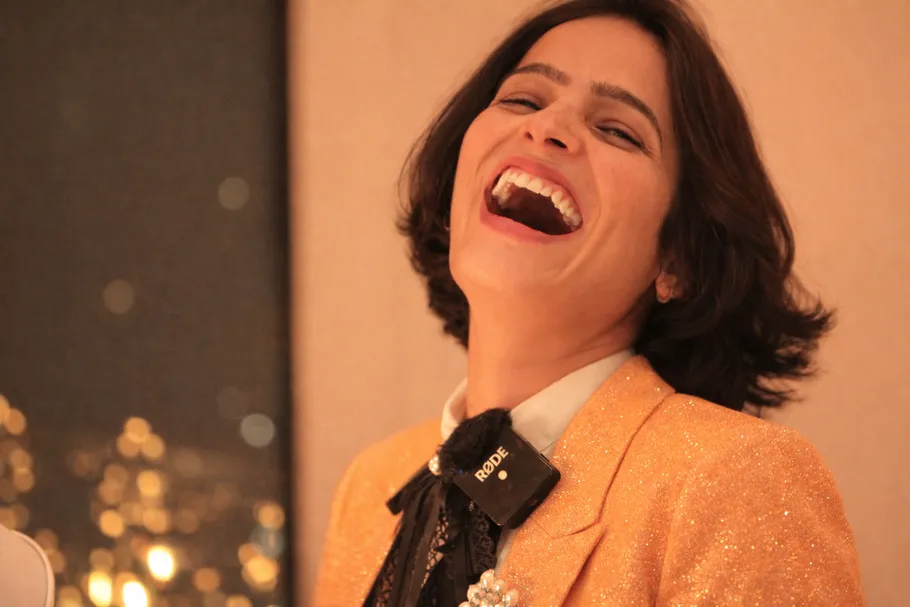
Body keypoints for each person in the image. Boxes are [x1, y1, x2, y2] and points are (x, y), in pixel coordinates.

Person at [314, 0, 865, 605]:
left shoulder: (737, 482)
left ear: (677, 259)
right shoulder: (371, 486)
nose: (546, 128)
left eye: (617, 130)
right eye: (523, 100)